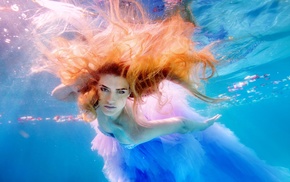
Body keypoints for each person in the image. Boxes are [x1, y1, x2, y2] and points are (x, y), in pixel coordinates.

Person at [32, 0, 290, 181]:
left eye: (120, 92)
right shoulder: (99, 97)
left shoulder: (132, 132)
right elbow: (59, 94)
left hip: (154, 146)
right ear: (97, 88)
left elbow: (179, 124)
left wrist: (202, 125)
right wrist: (82, 80)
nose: (110, 99)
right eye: (104, 89)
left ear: (130, 95)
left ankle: (182, 11)